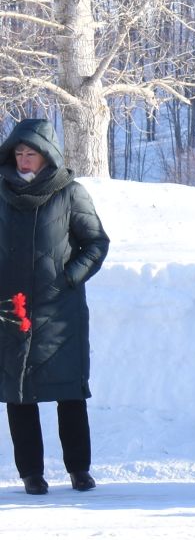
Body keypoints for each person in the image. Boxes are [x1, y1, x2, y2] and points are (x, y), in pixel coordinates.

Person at [0, 119, 108, 495]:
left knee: (69, 393)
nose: (24, 160)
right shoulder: (1, 192)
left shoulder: (69, 193)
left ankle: (79, 469)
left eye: (31, 153)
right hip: (12, 309)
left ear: (48, 156)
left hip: (60, 311)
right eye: (19, 153)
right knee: (18, 392)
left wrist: (68, 279)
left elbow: (95, 243)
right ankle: (31, 473)